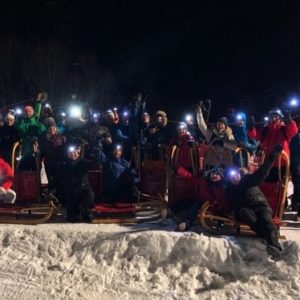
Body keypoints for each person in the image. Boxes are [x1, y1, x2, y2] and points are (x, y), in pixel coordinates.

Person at [225, 144, 284, 259]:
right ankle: (266, 234)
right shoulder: (231, 190)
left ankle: (275, 246)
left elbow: (262, 173)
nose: (234, 178)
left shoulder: (248, 180)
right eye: (231, 177)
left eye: (236, 175)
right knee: (244, 213)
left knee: (266, 220)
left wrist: (272, 156)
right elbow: (234, 205)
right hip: (248, 211)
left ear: (240, 174)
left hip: (261, 206)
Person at [171, 165, 228, 231]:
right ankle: (171, 209)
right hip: (200, 198)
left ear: (221, 177)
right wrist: (179, 170)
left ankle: (187, 221)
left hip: (209, 204)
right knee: (187, 201)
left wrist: (217, 205)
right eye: (213, 173)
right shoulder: (204, 180)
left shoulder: (221, 187)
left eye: (217, 174)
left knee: (194, 207)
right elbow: (191, 177)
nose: (214, 175)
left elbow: (223, 201)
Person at [54, 141, 99, 222]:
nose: (73, 154)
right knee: (72, 218)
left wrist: (96, 154)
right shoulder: (63, 165)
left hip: (83, 191)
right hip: (71, 193)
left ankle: (86, 211)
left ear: (78, 152)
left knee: (87, 204)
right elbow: (57, 179)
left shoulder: (83, 163)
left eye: (75, 152)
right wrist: (53, 190)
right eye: (70, 152)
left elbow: (94, 164)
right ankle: (74, 213)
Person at [253, 108, 298, 181]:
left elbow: (293, 131)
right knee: (267, 182)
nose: (273, 118)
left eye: (276, 115)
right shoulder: (266, 130)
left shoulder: (284, 128)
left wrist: (289, 121)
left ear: (280, 117)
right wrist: (251, 128)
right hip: (269, 162)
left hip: (282, 162)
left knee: (280, 183)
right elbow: (256, 135)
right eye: (271, 116)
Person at [15, 93, 47, 171]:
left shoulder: (39, 124)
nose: (28, 112)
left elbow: (44, 137)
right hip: (24, 153)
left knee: (36, 172)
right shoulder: (21, 124)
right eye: (26, 111)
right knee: (22, 172)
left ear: (33, 112)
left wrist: (39, 102)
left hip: (36, 152)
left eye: (30, 111)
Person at [290, 124, 300, 214]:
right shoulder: (296, 137)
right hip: (297, 164)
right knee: (298, 185)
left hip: (296, 164)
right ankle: (296, 205)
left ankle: (295, 204)